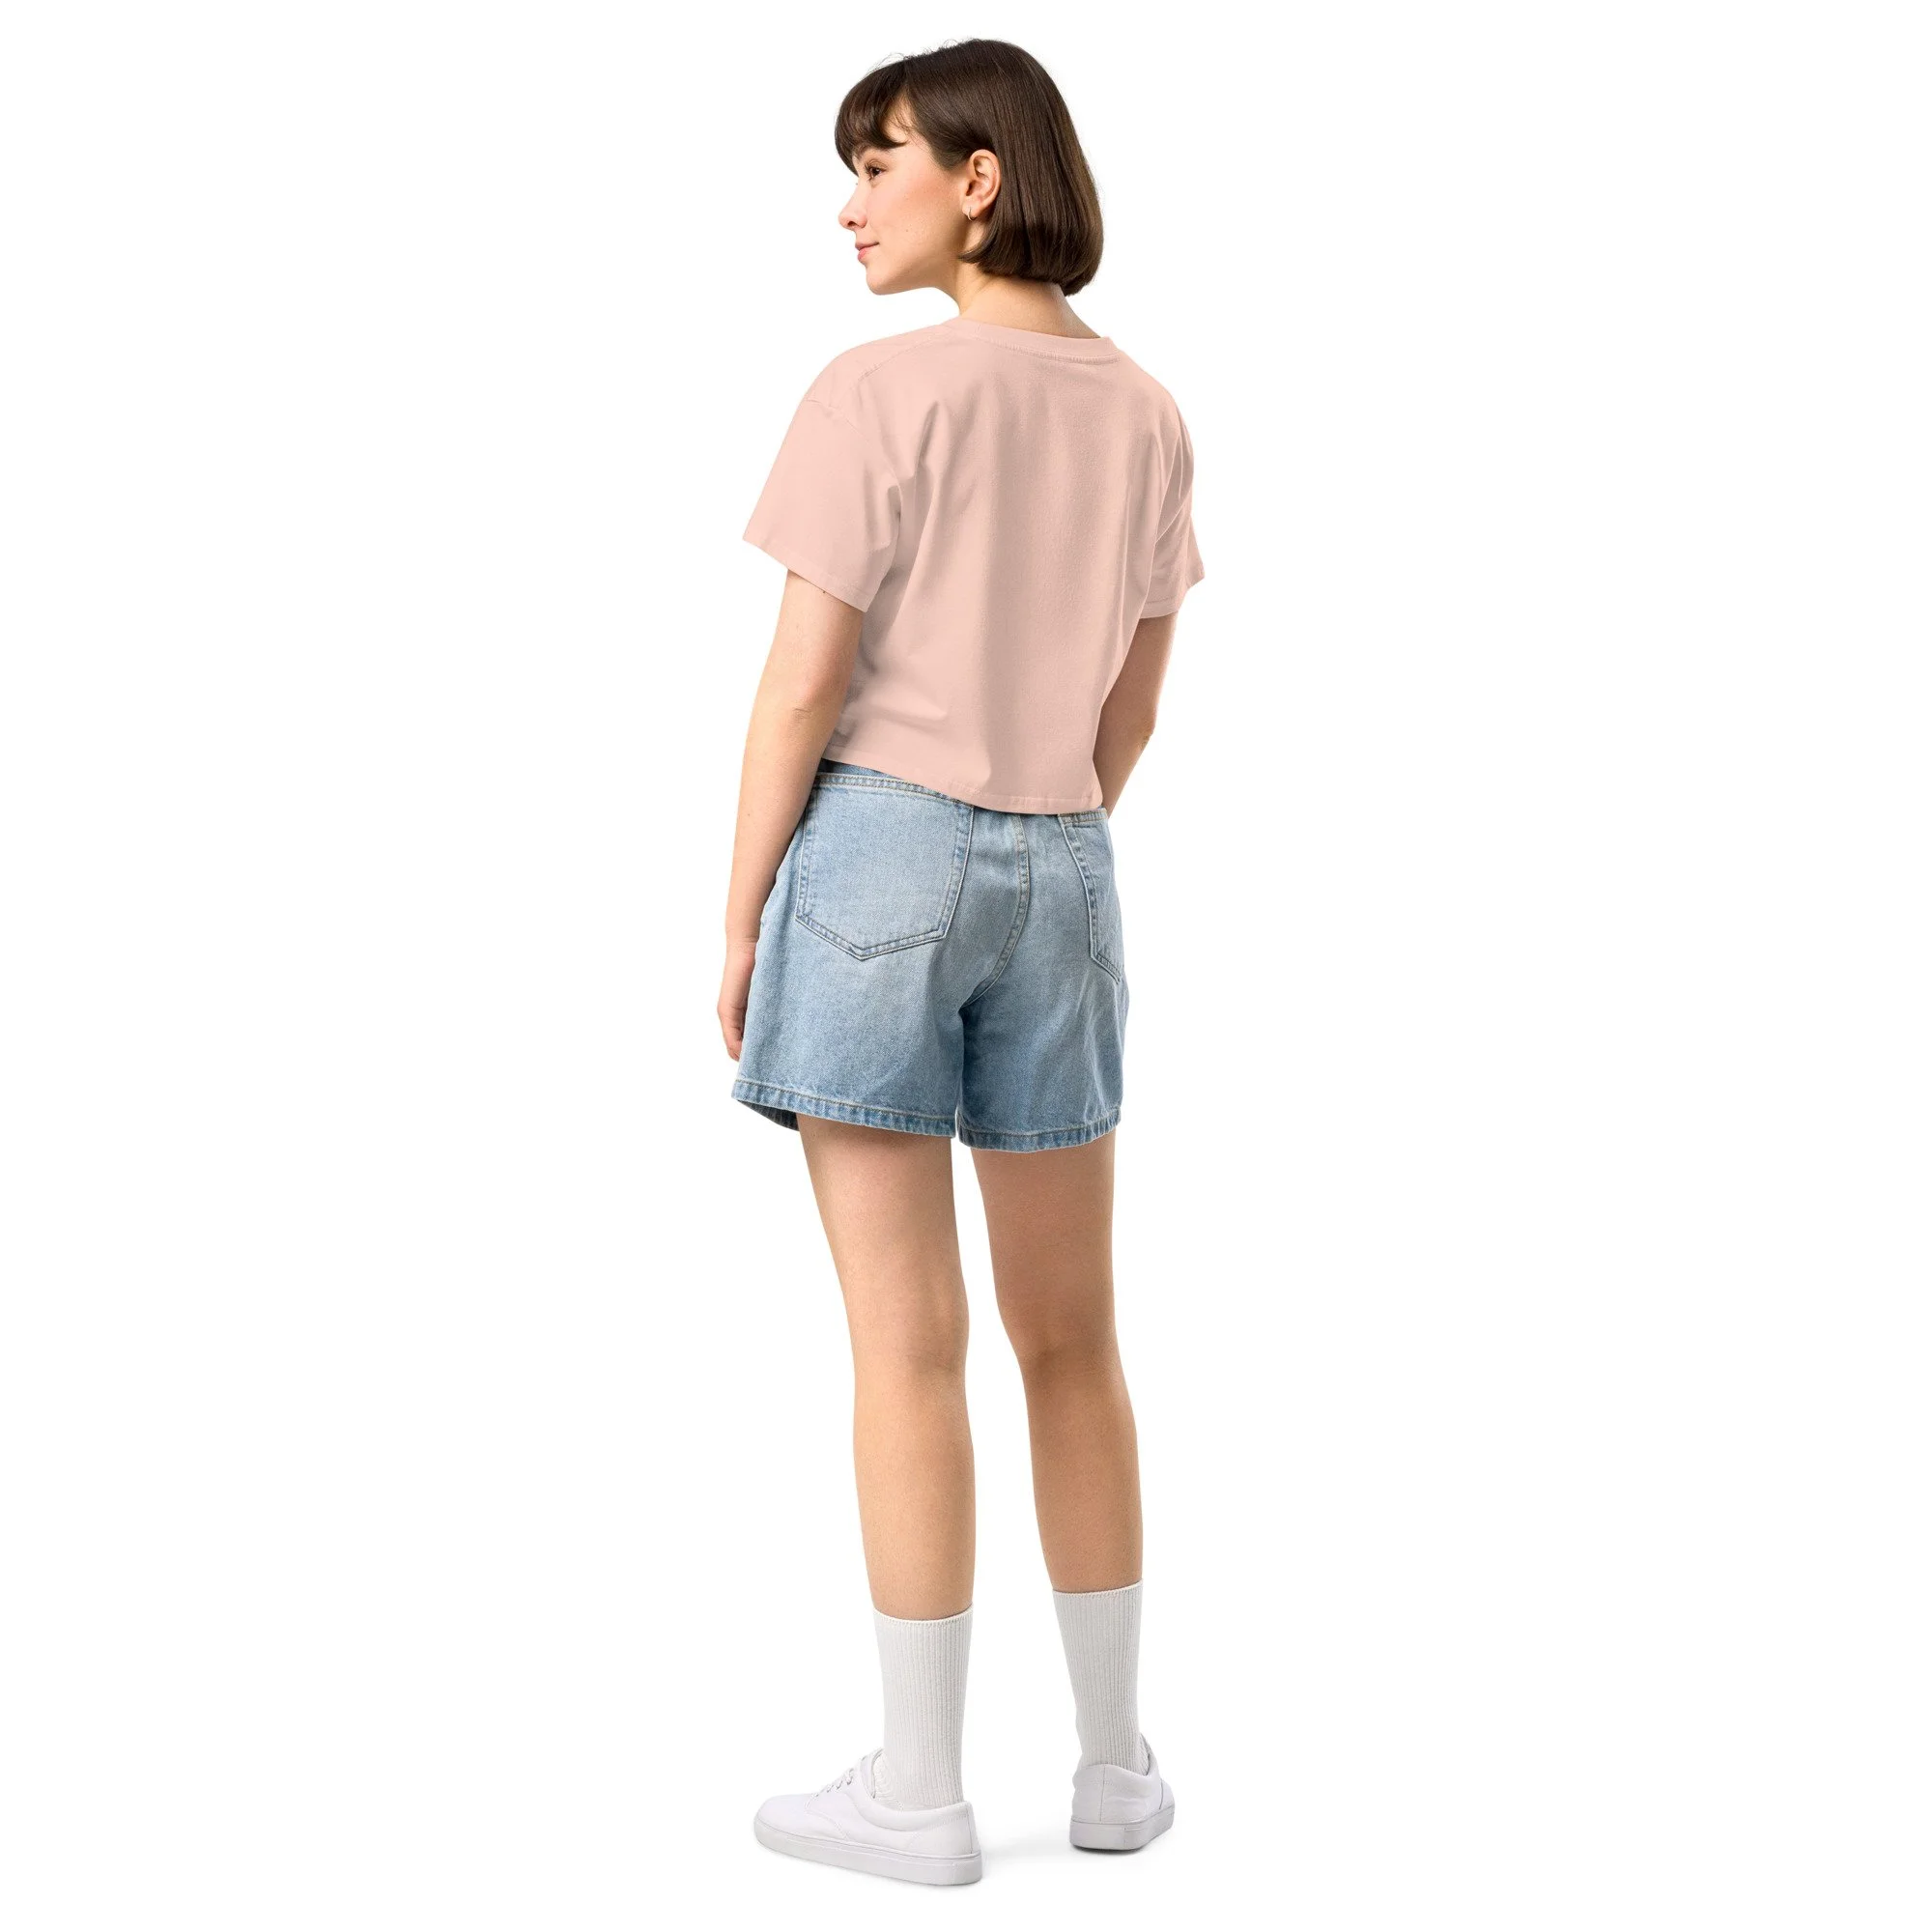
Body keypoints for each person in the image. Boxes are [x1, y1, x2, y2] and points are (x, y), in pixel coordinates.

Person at [718, 39, 1204, 1887]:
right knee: (1074, 1338)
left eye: (881, 163)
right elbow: (1131, 708)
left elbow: (801, 690)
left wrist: (745, 913)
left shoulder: (876, 392)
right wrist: (1038, 842)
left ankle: (917, 1796)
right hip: (1067, 862)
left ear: (979, 178)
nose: (852, 206)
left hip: (879, 852)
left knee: (906, 1346)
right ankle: (1115, 1774)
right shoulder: (1146, 411)